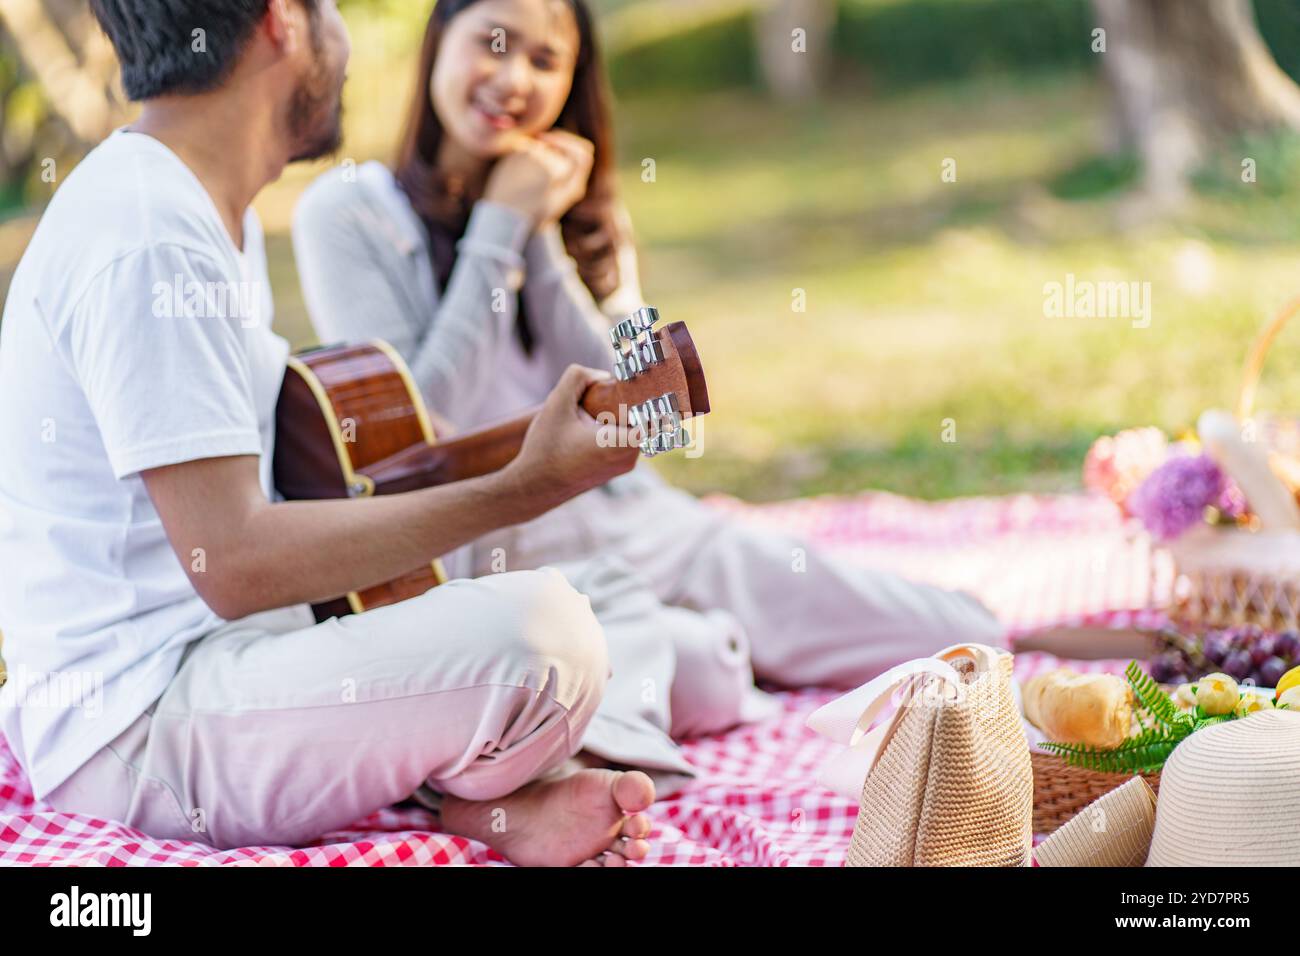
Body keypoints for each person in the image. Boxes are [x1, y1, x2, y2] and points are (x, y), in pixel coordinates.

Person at [0, 0, 668, 867]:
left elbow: (296, 492)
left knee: (599, 598)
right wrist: (522, 486)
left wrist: (527, 460)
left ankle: (477, 798)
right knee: (547, 636)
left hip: (236, 661)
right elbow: (233, 561)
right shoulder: (150, 234)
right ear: (284, 19)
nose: (348, 43)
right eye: (334, 10)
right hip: (137, 732)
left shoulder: (198, 206)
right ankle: (481, 788)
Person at [292, 0, 1004, 762]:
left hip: (643, 527)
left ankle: (721, 645)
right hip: (508, 563)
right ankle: (714, 656)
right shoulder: (349, 212)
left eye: (544, 60)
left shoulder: (587, 216)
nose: (511, 78)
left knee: (956, 636)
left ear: (573, 83)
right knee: (698, 671)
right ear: (438, 44)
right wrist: (497, 228)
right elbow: (427, 427)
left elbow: (658, 414)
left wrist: (538, 238)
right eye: (492, 45)